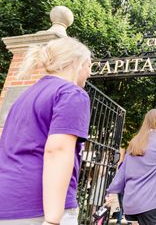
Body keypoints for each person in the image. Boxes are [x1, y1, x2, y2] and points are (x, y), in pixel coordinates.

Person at [0, 37, 92, 225]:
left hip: (7, 202)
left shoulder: (24, 96)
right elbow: (57, 151)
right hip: (40, 207)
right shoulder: (71, 93)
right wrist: (53, 219)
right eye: (89, 66)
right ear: (75, 62)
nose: (90, 74)